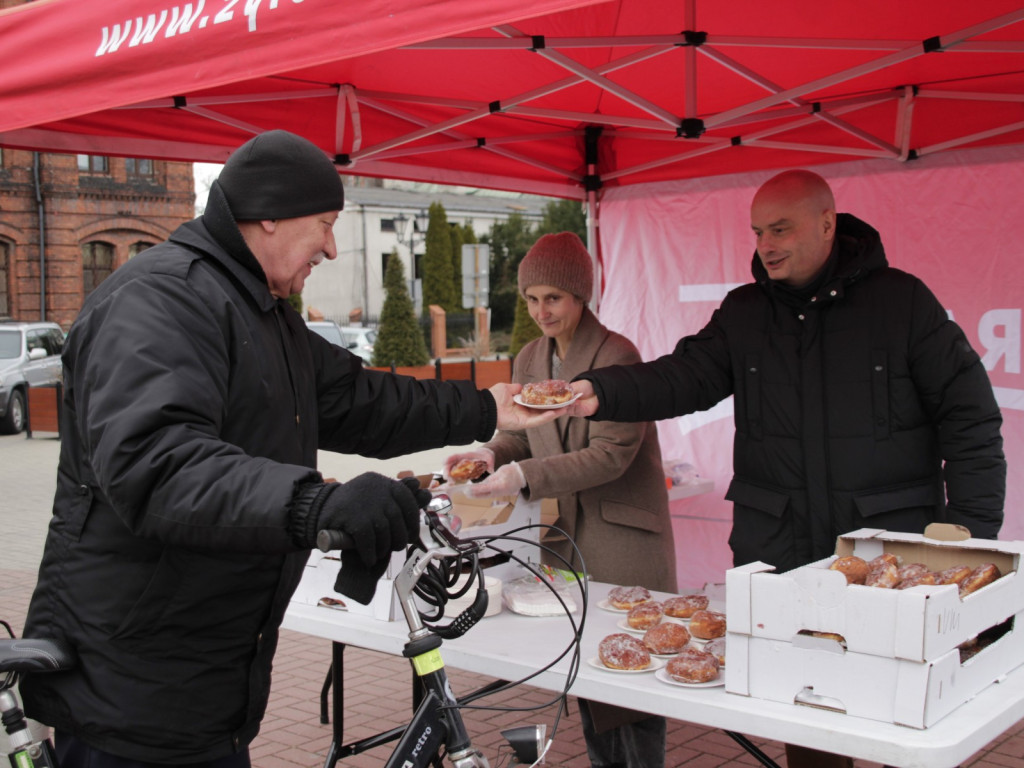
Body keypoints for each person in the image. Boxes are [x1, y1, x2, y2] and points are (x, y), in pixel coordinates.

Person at [19, 130, 556, 768]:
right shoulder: (159, 298)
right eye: (324, 224)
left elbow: (360, 399)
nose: (330, 246)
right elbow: (158, 465)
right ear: (267, 215)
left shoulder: (260, 311)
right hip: (133, 680)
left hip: (203, 673)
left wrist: (488, 405)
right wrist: (316, 506)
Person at [564, 169, 1006, 767]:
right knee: (808, 717)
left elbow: (972, 418)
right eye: (756, 232)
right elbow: (681, 376)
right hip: (783, 551)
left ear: (827, 225)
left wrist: (971, 537)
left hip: (886, 558)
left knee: (908, 719)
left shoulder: (902, 303)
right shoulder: (745, 313)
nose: (765, 245)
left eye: (780, 229)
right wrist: (597, 390)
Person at [443, 232, 676, 768]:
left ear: (580, 297)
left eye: (552, 297)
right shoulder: (529, 357)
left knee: (630, 682)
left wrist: (522, 475)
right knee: (588, 674)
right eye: (530, 298)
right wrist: (486, 454)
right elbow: (522, 435)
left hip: (621, 537)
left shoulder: (618, 354)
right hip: (565, 541)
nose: (539, 310)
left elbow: (611, 455)